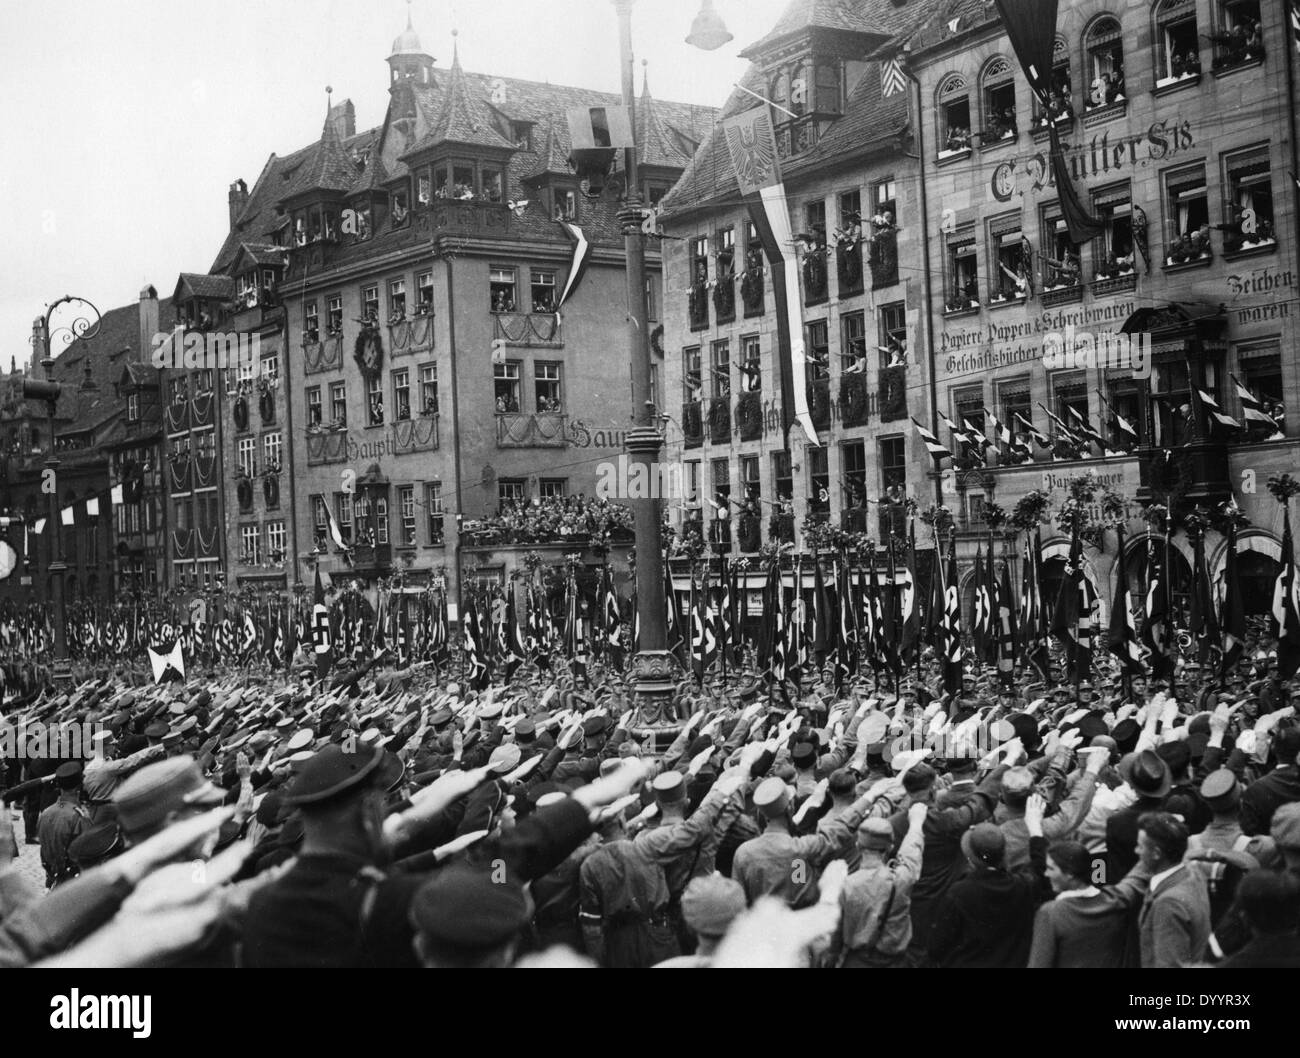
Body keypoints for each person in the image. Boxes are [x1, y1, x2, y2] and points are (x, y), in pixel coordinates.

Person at [928, 798, 1048, 968]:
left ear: (971, 860)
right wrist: (1035, 828)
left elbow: (937, 947)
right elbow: (1040, 869)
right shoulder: (1023, 886)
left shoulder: (959, 892)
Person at [829, 803, 927, 967]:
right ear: (890, 847)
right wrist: (916, 823)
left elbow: (835, 935)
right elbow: (912, 852)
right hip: (896, 962)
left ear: (858, 845)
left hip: (858, 961)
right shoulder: (902, 877)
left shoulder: (846, 885)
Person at [1028, 839, 1151, 968]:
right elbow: (1138, 876)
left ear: (1070, 873)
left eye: (1051, 868)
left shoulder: (1050, 913)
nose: (1046, 874)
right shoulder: (1115, 899)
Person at [1137, 811, 1212, 968]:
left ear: (1157, 853)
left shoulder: (1168, 903)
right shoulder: (1192, 873)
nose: (1136, 851)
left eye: (1140, 846)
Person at [37, 763, 89, 888]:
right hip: (73, 881)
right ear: (79, 786)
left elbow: (43, 849)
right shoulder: (78, 816)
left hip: (52, 875)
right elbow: (86, 853)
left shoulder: (46, 812)